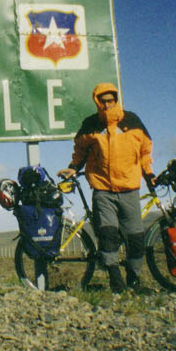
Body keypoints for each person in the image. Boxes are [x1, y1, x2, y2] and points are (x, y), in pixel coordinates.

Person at [57, 83, 155, 294]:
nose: (107, 103)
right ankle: (115, 281)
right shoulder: (91, 124)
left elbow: (145, 152)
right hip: (102, 190)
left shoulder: (132, 121)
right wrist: (74, 168)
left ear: (116, 99)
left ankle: (134, 280)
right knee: (108, 236)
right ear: (97, 102)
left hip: (129, 188)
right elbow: (80, 150)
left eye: (111, 99)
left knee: (136, 237)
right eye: (103, 100)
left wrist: (150, 177)